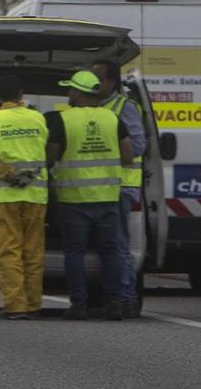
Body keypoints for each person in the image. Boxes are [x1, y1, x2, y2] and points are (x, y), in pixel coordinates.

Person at [46, 69, 135, 320]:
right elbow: (128, 156)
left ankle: (79, 304)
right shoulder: (112, 119)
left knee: (74, 252)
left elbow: (50, 157)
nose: (68, 93)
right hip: (107, 197)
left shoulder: (62, 120)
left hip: (73, 199)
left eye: (70, 89)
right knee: (111, 251)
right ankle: (115, 302)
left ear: (77, 92)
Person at [0, 73, 49, 320]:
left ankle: (16, 306)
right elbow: (45, 151)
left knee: (9, 251)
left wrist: (9, 175)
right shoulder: (38, 118)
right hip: (36, 196)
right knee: (33, 251)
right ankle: (33, 304)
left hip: (5, 196)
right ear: (21, 95)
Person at [92, 58, 147, 309]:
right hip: (102, 187)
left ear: (112, 81)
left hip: (122, 186)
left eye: (99, 79)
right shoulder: (94, 106)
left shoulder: (124, 107)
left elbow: (137, 145)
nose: (94, 84)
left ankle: (126, 298)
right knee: (109, 245)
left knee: (119, 245)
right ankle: (112, 296)